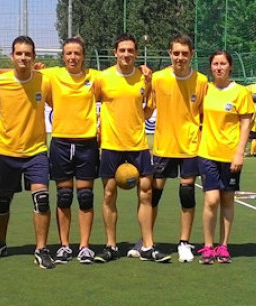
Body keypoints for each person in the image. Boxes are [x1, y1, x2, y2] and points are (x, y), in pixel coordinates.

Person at [127, 34, 208, 263]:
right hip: (163, 146)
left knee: (187, 195)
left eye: (185, 53)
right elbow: (145, 110)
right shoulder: (159, 79)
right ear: (169, 54)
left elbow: (205, 114)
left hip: (191, 146)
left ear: (191, 54)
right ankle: (146, 241)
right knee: (153, 196)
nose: (180, 57)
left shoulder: (201, 81)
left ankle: (184, 243)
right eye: (176, 53)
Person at [93, 33, 171, 263]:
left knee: (146, 191)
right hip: (110, 145)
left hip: (138, 145)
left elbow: (148, 110)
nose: (126, 54)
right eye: (122, 50)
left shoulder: (144, 78)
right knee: (108, 194)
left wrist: (147, 86)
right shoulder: (103, 78)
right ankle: (110, 246)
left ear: (136, 53)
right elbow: (89, 102)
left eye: (130, 50)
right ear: (115, 52)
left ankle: (148, 246)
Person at [0, 36, 55, 269]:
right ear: (12, 56)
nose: (23, 58)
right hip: (6, 152)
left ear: (34, 57)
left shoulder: (45, 82)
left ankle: (41, 249)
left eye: (27, 54)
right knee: (3, 201)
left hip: (36, 152)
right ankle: (0, 243)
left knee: (42, 200)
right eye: (19, 54)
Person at [43, 37, 100, 264]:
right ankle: (65, 246)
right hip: (61, 143)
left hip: (87, 144)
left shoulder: (95, 77)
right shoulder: (52, 75)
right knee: (64, 197)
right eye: (68, 53)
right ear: (63, 56)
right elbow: (19, 69)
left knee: (85, 197)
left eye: (77, 53)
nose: (73, 57)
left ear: (83, 56)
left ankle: (84, 246)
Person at [197, 50, 254, 264]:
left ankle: (224, 246)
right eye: (215, 64)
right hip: (207, 153)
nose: (219, 67)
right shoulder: (205, 89)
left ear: (230, 67)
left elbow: (246, 122)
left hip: (231, 155)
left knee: (227, 199)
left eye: (222, 64)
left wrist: (240, 152)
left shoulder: (240, 92)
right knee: (211, 200)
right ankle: (208, 246)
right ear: (210, 67)